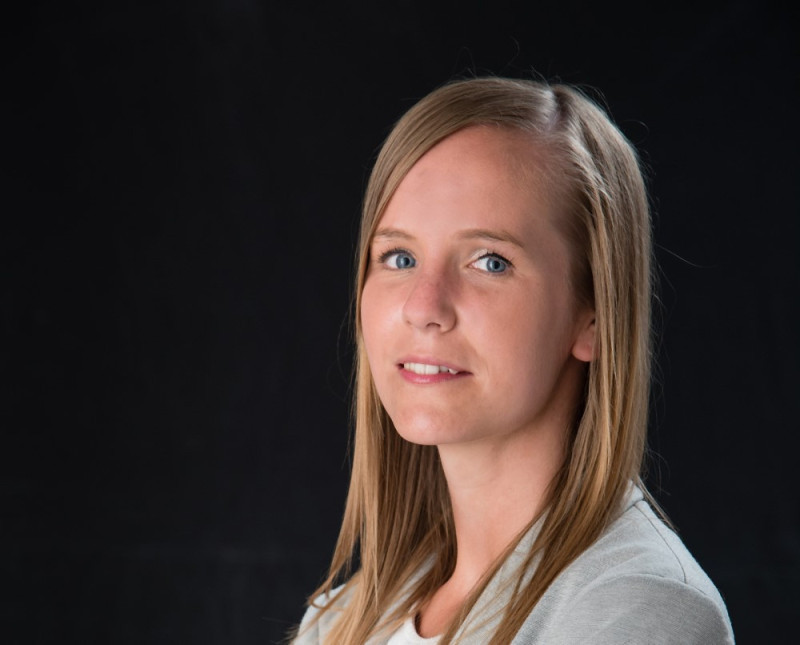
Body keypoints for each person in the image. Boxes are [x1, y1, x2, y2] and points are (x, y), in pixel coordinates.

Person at [292, 77, 734, 644]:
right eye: (399, 256)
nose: (424, 307)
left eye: (490, 262)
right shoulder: (340, 622)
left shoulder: (639, 612)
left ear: (594, 315)